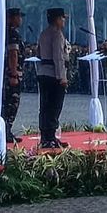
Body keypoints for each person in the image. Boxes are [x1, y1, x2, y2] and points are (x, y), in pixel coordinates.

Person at [37, 8, 71, 148]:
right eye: (62, 18)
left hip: (43, 72)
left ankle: (45, 136)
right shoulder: (57, 34)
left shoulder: (44, 33)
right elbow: (58, 57)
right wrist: (62, 77)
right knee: (54, 106)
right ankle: (50, 136)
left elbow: (38, 53)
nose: (64, 21)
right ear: (57, 19)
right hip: (54, 75)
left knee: (44, 106)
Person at [2, 7, 25, 144]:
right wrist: (13, 73)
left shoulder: (5, 32)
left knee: (7, 103)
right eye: (18, 16)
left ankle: (6, 130)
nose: (20, 19)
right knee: (12, 103)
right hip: (11, 74)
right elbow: (13, 54)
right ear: (11, 18)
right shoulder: (12, 34)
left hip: (7, 74)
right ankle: (6, 130)